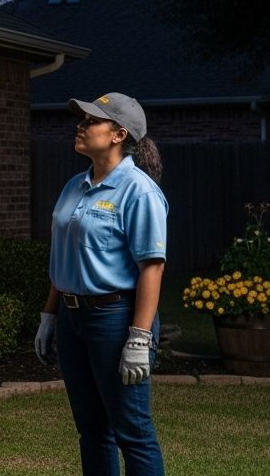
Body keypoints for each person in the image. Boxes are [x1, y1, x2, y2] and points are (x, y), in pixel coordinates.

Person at [34, 93, 167, 475]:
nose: (81, 125)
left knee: (132, 431)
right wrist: (49, 315)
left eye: (92, 120)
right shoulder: (74, 185)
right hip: (72, 319)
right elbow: (65, 256)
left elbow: (152, 267)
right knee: (91, 430)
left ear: (118, 135)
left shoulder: (139, 191)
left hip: (116, 318)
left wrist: (139, 338)